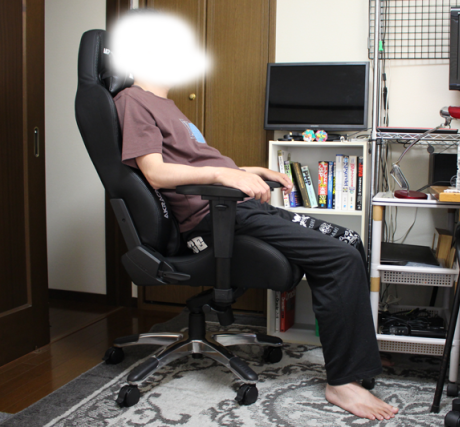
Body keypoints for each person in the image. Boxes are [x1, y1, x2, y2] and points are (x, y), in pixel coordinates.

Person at [110, 11, 398, 421]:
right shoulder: (132, 101)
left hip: (235, 205)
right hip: (215, 217)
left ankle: (358, 357)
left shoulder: (165, 105)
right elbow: (156, 173)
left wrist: (249, 170)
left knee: (349, 241)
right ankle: (342, 382)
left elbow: (193, 163)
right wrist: (223, 175)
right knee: (338, 258)